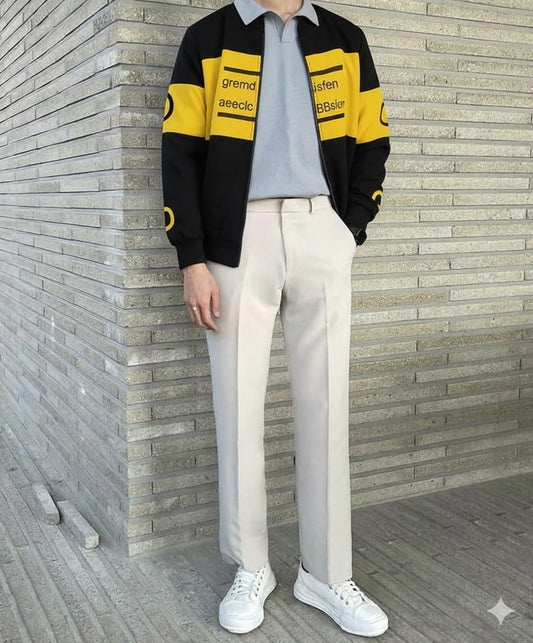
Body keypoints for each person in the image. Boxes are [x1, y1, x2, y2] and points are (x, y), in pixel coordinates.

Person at [161, 0, 390, 635]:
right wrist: (192, 257)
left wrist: (349, 228)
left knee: (327, 407)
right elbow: (179, 150)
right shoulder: (209, 38)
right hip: (237, 239)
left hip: (322, 228)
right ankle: (251, 567)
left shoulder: (345, 39)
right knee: (237, 408)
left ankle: (326, 572)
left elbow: (372, 138)